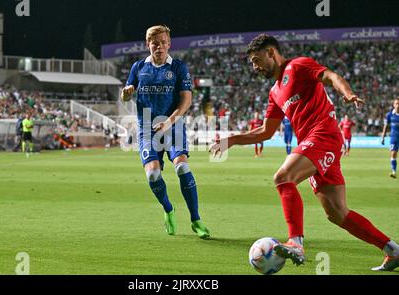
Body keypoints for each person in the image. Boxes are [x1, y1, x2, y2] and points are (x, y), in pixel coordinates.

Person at [209, 34, 399, 271]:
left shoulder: (298, 66)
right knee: (337, 213)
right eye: (252, 64)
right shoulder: (274, 92)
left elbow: (331, 76)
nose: (255, 68)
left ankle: (296, 242)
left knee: (283, 177)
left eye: (257, 61)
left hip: (324, 137)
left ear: (271, 52)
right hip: (313, 144)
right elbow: (266, 132)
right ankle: (392, 250)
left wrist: (346, 93)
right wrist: (232, 140)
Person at [121, 25, 210, 239]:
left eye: (163, 42)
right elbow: (125, 96)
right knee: (152, 174)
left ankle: (196, 219)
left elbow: (187, 99)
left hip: (173, 125)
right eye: (155, 43)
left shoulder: (178, 67)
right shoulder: (138, 67)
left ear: (169, 44)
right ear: (148, 45)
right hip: (147, 129)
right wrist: (126, 93)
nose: (159, 46)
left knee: (181, 166)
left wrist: (169, 122)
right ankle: (168, 209)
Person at [381, 98, 399, 179]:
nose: (398, 105)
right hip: (394, 137)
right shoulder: (390, 114)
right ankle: (394, 172)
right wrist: (383, 137)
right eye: (396, 103)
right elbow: (386, 126)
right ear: (394, 105)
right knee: (393, 154)